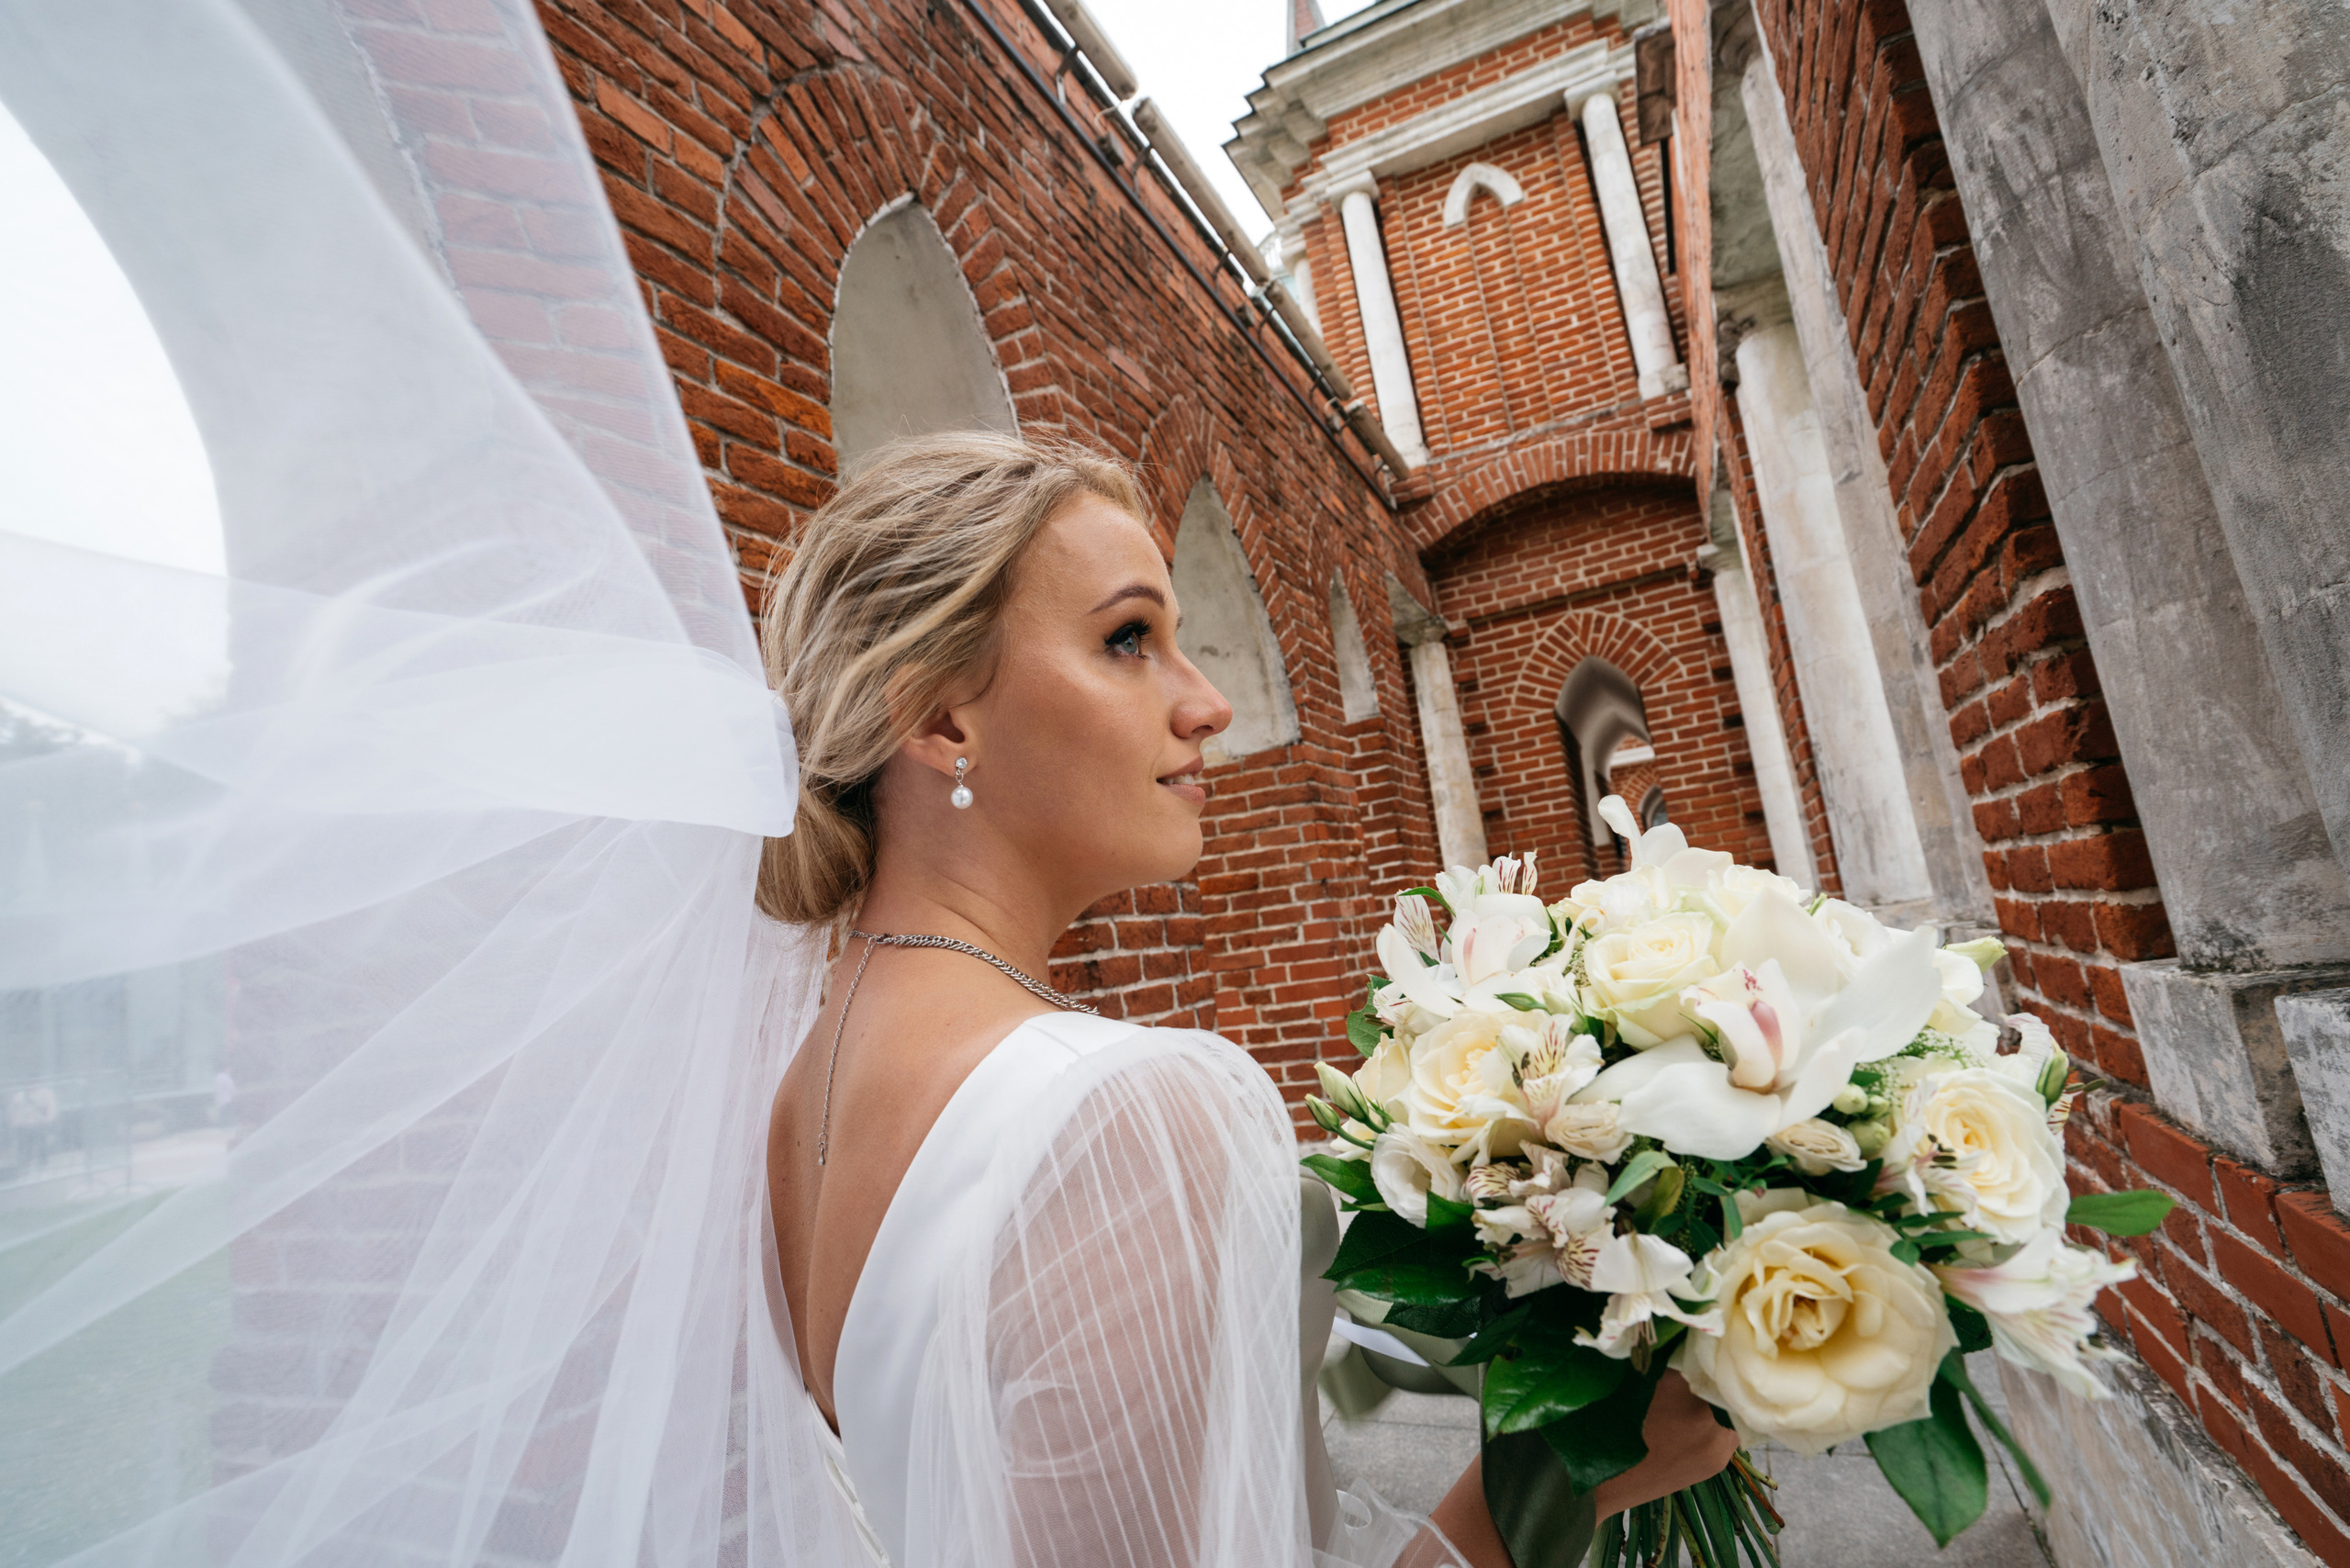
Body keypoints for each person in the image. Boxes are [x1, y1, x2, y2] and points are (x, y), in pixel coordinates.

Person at [755, 433, 1739, 1566]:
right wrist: (1554, 1488)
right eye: (1128, 640)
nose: (1211, 704)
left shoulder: (791, 1101)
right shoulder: (1119, 1112)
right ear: (938, 720)